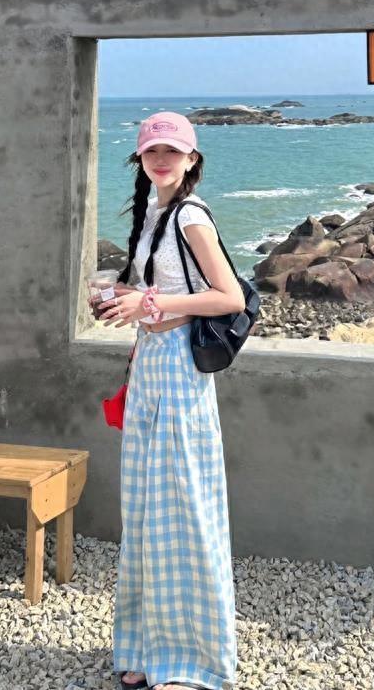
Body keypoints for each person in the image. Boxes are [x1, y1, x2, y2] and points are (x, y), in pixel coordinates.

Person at [97, 112, 245, 690]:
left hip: (180, 370)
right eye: (151, 151)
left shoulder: (190, 216)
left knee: (183, 507)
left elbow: (229, 297)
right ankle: (149, 648)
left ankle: (196, 662)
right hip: (152, 366)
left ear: (191, 159)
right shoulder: (154, 213)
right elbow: (160, 291)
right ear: (140, 159)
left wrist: (150, 305)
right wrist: (123, 299)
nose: (161, 160)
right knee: (147, 512)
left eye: (172, 151)